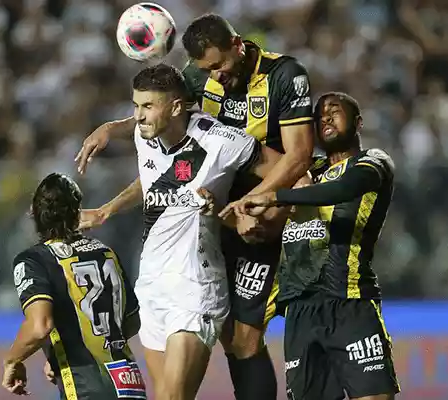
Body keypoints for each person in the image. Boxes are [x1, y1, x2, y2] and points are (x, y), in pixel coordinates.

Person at [76, 14, 315, 399]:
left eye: (219, 65)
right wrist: (113, 129)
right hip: (209, 215)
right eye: (207, 70)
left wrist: (254, 201)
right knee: (231, 340)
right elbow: (160, 116)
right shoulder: (196, 79)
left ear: (238, 46)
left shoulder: (284, 76)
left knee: (245, 339)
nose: (215, 76)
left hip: (262, 210)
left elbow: (298, 157)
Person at [92, 63, 282, 400]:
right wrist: (108, 208)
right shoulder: (144, 136)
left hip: (195, 288)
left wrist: (253, 208)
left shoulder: (221, 140)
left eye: (148, 106)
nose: (138, 116)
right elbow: (154, 181)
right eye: (136, 106)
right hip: (152, 285)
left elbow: (286, 169)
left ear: (176, 106)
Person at [220, 92, 401, 400]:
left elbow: (343, 189)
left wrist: (276, 195)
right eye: (318, 117)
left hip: (349, 299)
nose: (325, 118)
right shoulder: (301, 172)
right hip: (299, 307)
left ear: (358, 122)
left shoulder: (373, 161)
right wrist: (229, 213)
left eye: (334, 112)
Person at [1, 173, 145, 400]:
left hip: (85, 386)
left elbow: (40, 326)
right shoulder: (105, 252)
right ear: (77, 213)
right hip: (129, 384)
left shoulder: (35, 260)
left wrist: (12, 360)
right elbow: (132, 322)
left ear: (34, 213)